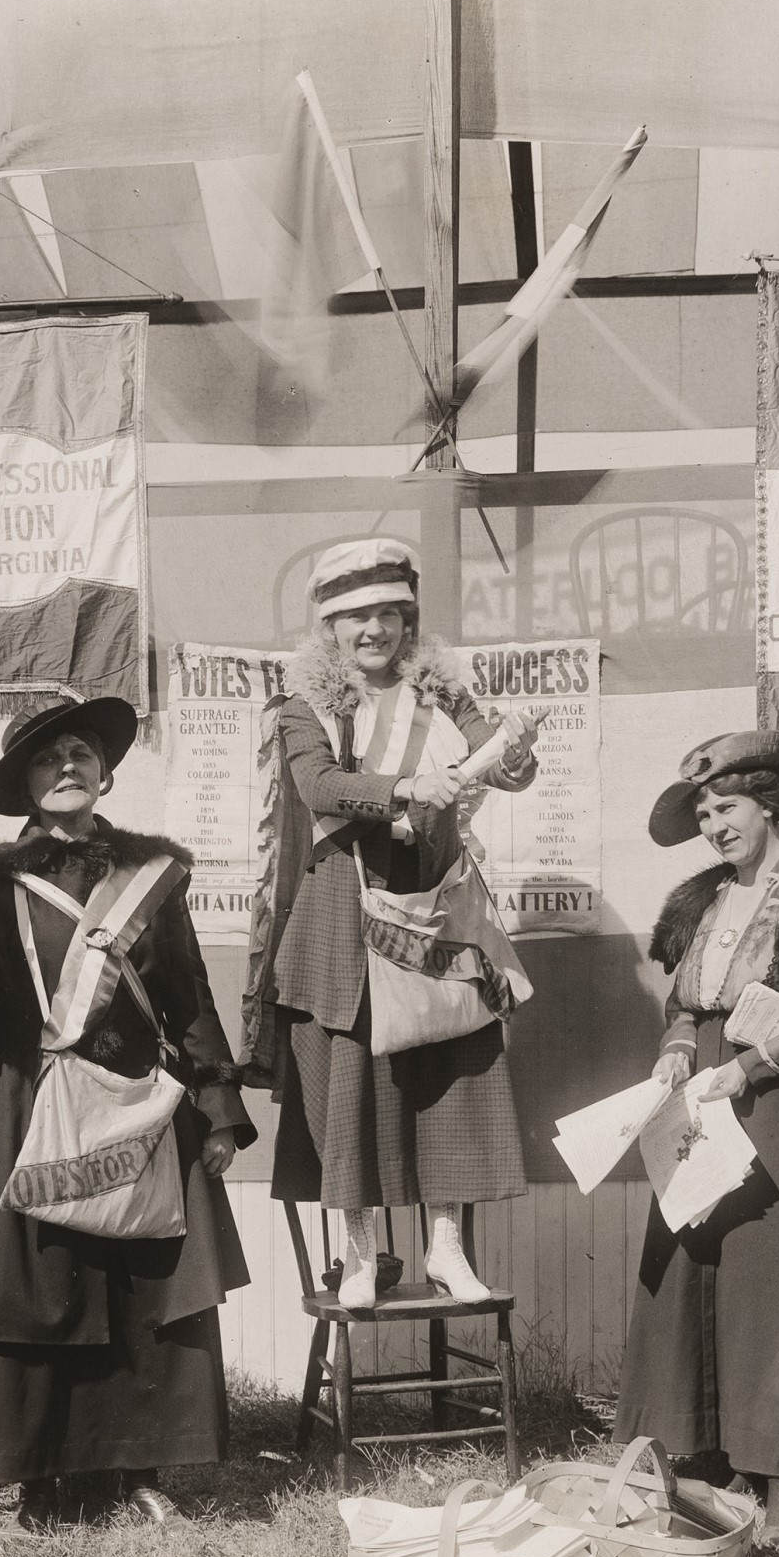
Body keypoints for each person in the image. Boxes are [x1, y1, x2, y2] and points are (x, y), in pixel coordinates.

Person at [0, 697, 253, 1531]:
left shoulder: (153, 877)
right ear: (27, 787)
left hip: (139, 1101)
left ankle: (138, 1469)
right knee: (40, 1283)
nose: (67, 765)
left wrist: (218, 1110)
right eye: (47, 759)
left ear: (104, 774)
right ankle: (40, 1473)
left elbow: (187, 993)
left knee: (138, 1284)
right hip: (32, 1101)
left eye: (80, 753)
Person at [246, 538, 541, 1309]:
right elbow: (319, 785)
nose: (373, 629)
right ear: (330, 630)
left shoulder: (447, 695)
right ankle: (361, 1255)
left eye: (387, 613)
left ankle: (446, 1251)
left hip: (434, 908)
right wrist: (408, 789)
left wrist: (514, 758)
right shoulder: (303, 706)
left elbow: (498, 760)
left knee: (448, 1077)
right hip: (342, 921)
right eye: (354, 617)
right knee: (351, 1088)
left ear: (408, 620)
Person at [613, 730, 779, 1529]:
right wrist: (673, 1058)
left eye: (726, 806)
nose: (714, 824)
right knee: (689, 1265)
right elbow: (684, 1006)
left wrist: (750, 1067)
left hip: (777, 1101)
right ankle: (696, 1455)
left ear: (770, 803)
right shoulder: (703, 900)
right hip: (698, 1094)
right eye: (702, 813)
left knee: (773, 1279)